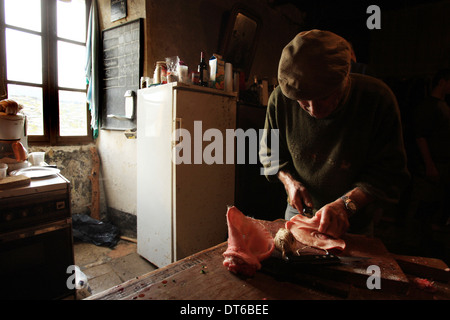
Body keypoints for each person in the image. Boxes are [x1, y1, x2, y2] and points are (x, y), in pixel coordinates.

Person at [259, 30, 410, 237]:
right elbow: (270, 153)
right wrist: (290, 182)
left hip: (353, 220)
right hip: (299, 213)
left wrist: (345, 205)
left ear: (346, 76)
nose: (314, 110)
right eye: (304, 101)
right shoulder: (280, 100)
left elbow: (389, 172)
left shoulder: (377, 99)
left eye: (324, 97)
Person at [412, 68, 450, 230]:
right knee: (423, 202)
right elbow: (420, 136)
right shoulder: (429, 106)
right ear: (442, 81)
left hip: (442, 163)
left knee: (434, 204)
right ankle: (412, 238)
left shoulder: (444, 106)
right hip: (432, 164)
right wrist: (429, 164)